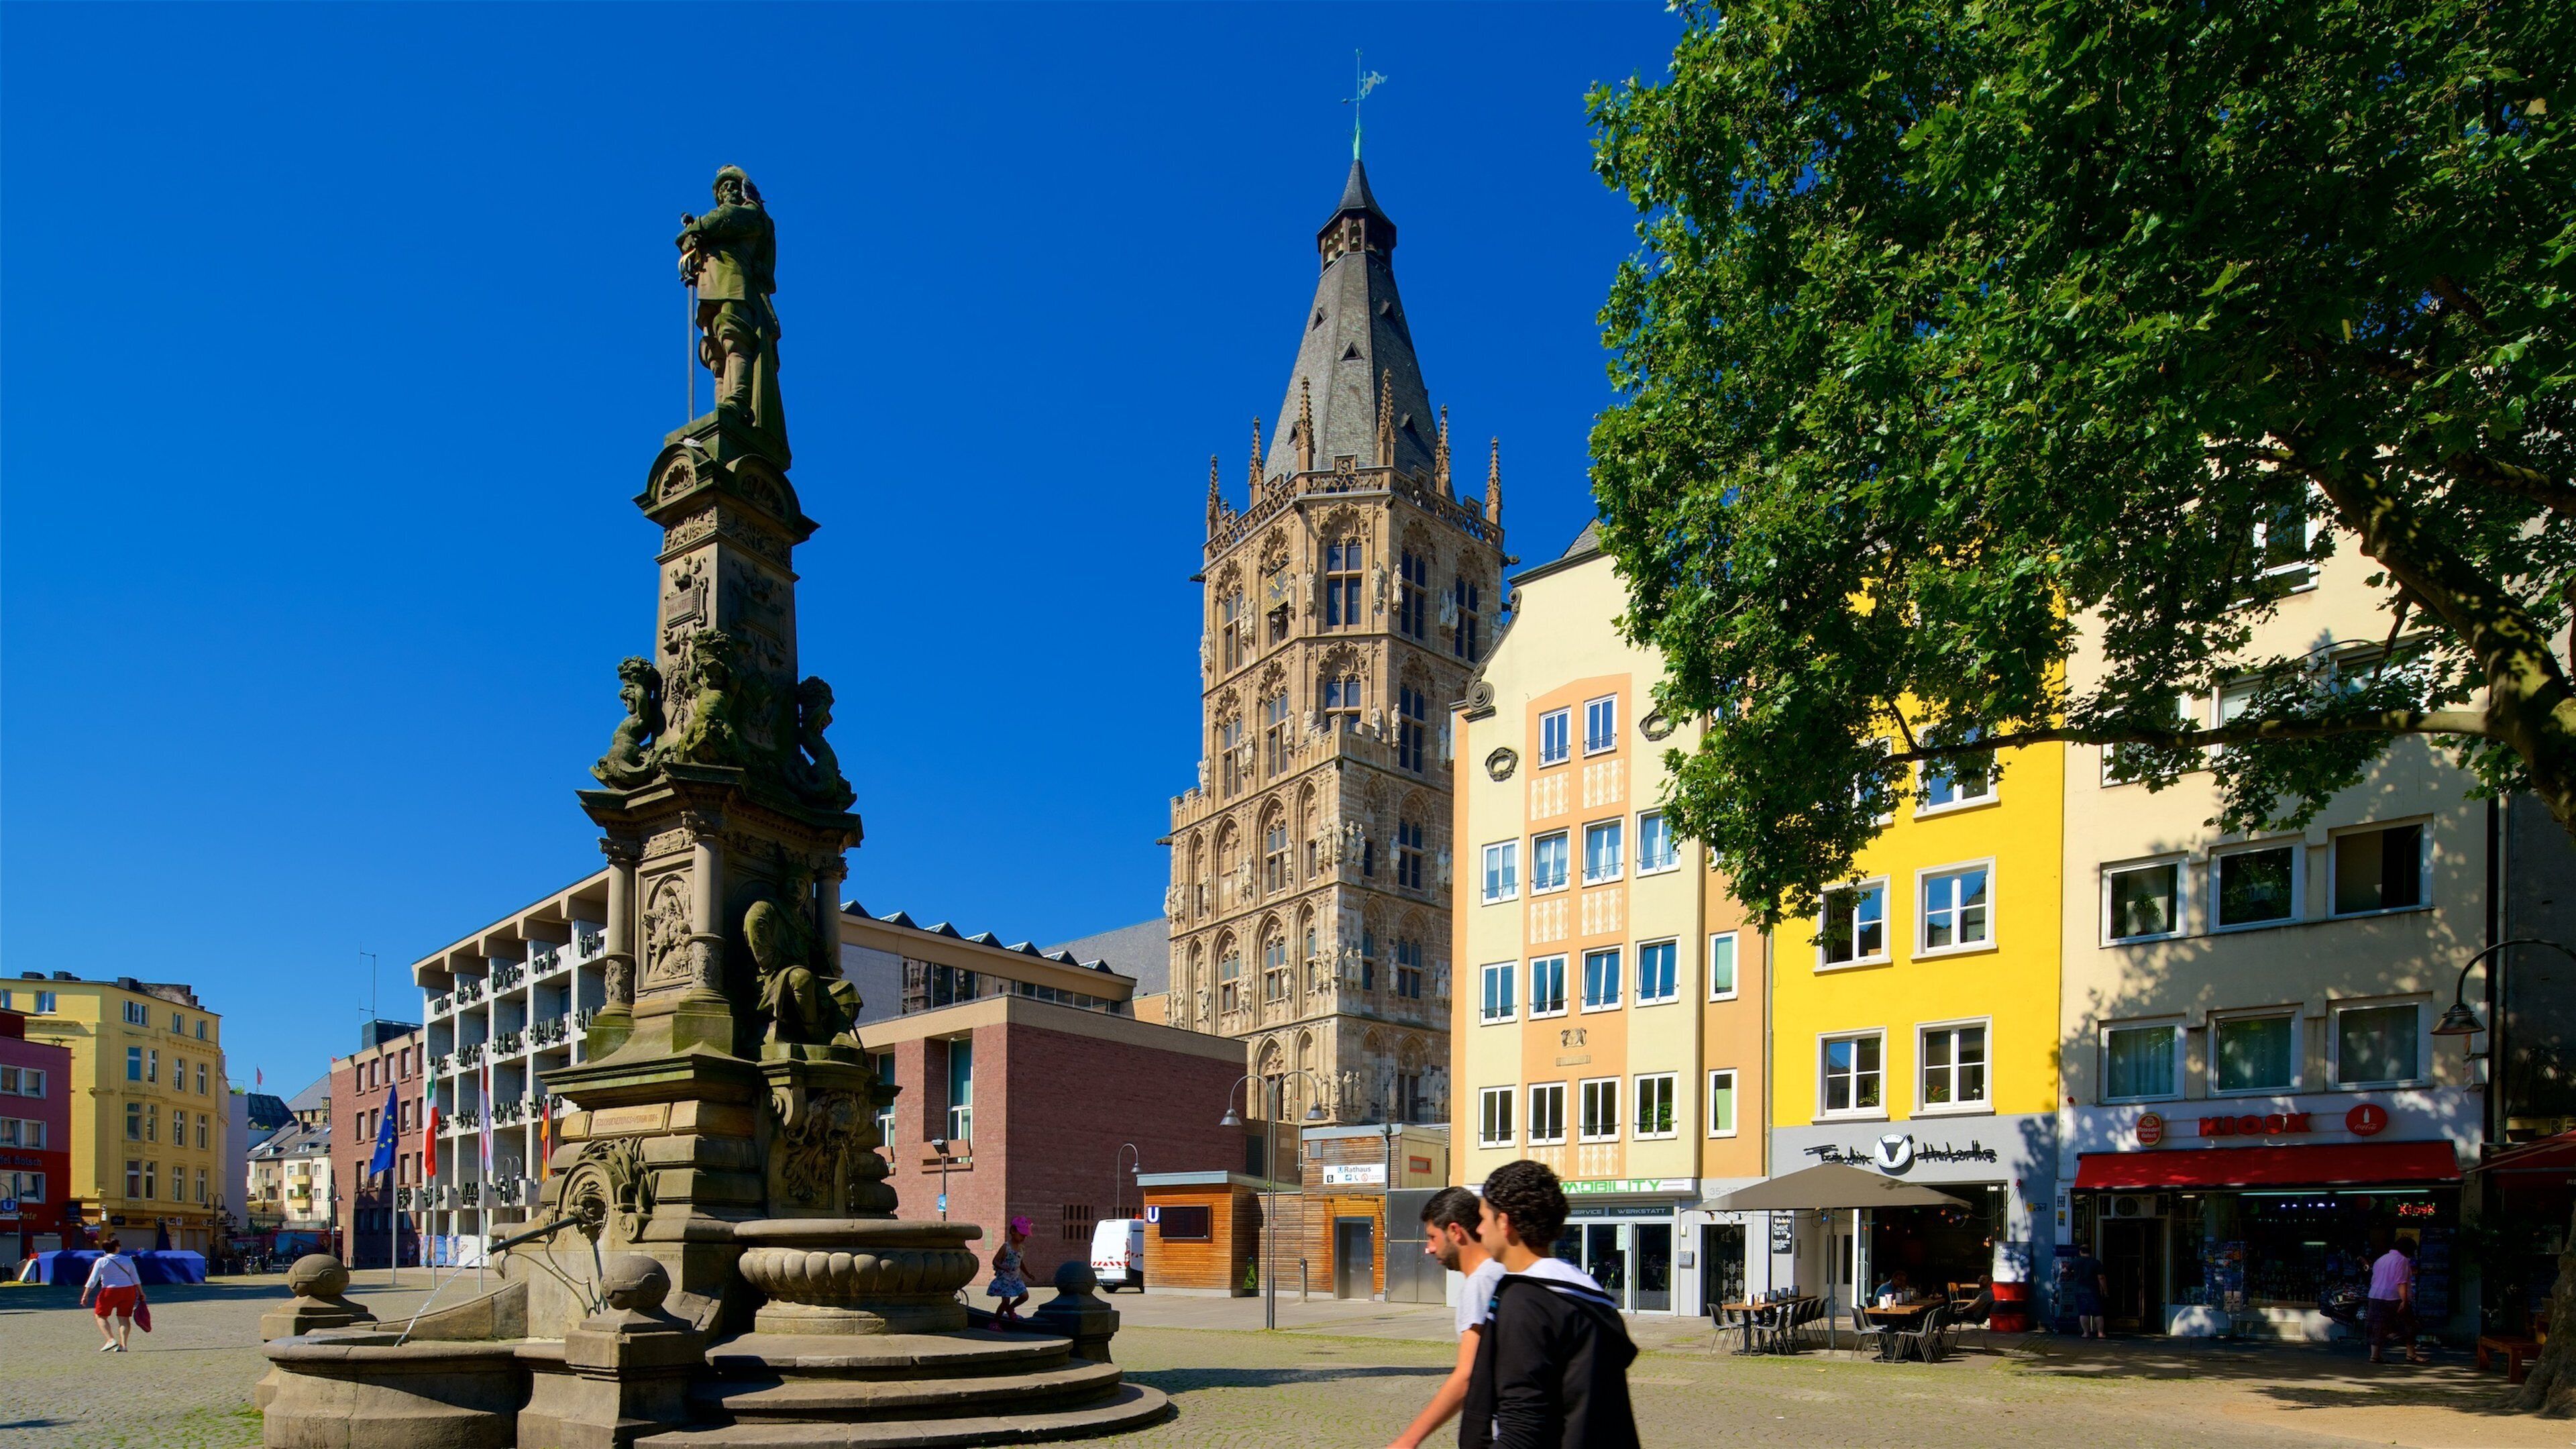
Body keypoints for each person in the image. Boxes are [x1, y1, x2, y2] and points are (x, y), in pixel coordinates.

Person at [1460, 1161, 1639, 1449]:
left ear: (1504, 1223)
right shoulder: (1589, 1297)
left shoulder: (1527, 1301)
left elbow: (1523, 1432)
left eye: (1483, 1218)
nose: (1479, 1230)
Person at [1389, 1187, 1503, 1449]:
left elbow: (1468, 1374)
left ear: (1455, 1231)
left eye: (1432, 1237)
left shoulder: (1480, 1283)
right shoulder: (1499, 1272)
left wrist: (1407, 1441)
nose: (1429, 1249)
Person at [2366, 1238, 2426, 1364]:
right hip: (2393, 1297)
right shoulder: (2402, 1260)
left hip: (2375, 1295)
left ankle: (2375, 1355)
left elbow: (2374, 1278)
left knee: (2377, 1325)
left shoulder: (2381, 1259)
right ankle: (2410, 1353)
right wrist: (2404, 1301)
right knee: (2410, 1324)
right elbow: (2401, 1282)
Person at [80, 1232, 142, 1352]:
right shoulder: (127, 1260)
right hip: (128, 1290)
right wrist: (141, 1292)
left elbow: (93, 1279)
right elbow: (135, 1278)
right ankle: (124, 1345)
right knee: (124, 1318)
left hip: (110, 1291)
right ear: (117, 1247)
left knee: (100, 1316)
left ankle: (110, 1340)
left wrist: (85, 1295)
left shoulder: (102, 1261)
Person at [987, 1216, 1031, 1326]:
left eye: (1025, 1236)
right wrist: (1002, 1267)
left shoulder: (1021, 1248)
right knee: (1005, 1302)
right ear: (1013, 1231)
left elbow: (1021, 1262)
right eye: (1022, 1235)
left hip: (1016, 1279)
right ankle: (995, 1323)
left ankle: (1011, 1308)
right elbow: (995, 1261)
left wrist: (1028, 1274)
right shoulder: (1006, 1247)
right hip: (1005, 1280)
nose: (1024, 1238)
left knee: (1024, 1296)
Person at [2065, 1248, 2107, 1339]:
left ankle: (2086, 1333)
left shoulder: (2075, 1261)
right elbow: (2101, 1277)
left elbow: (2065, 1271)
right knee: (2098, 1313)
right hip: (2093, 1291)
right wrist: (2105, 1290)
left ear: (2080, 1252)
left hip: (2079, 1290)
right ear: (2090, 1252)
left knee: (2083, 1312)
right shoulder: (2096, 1263)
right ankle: (2100, 1333)